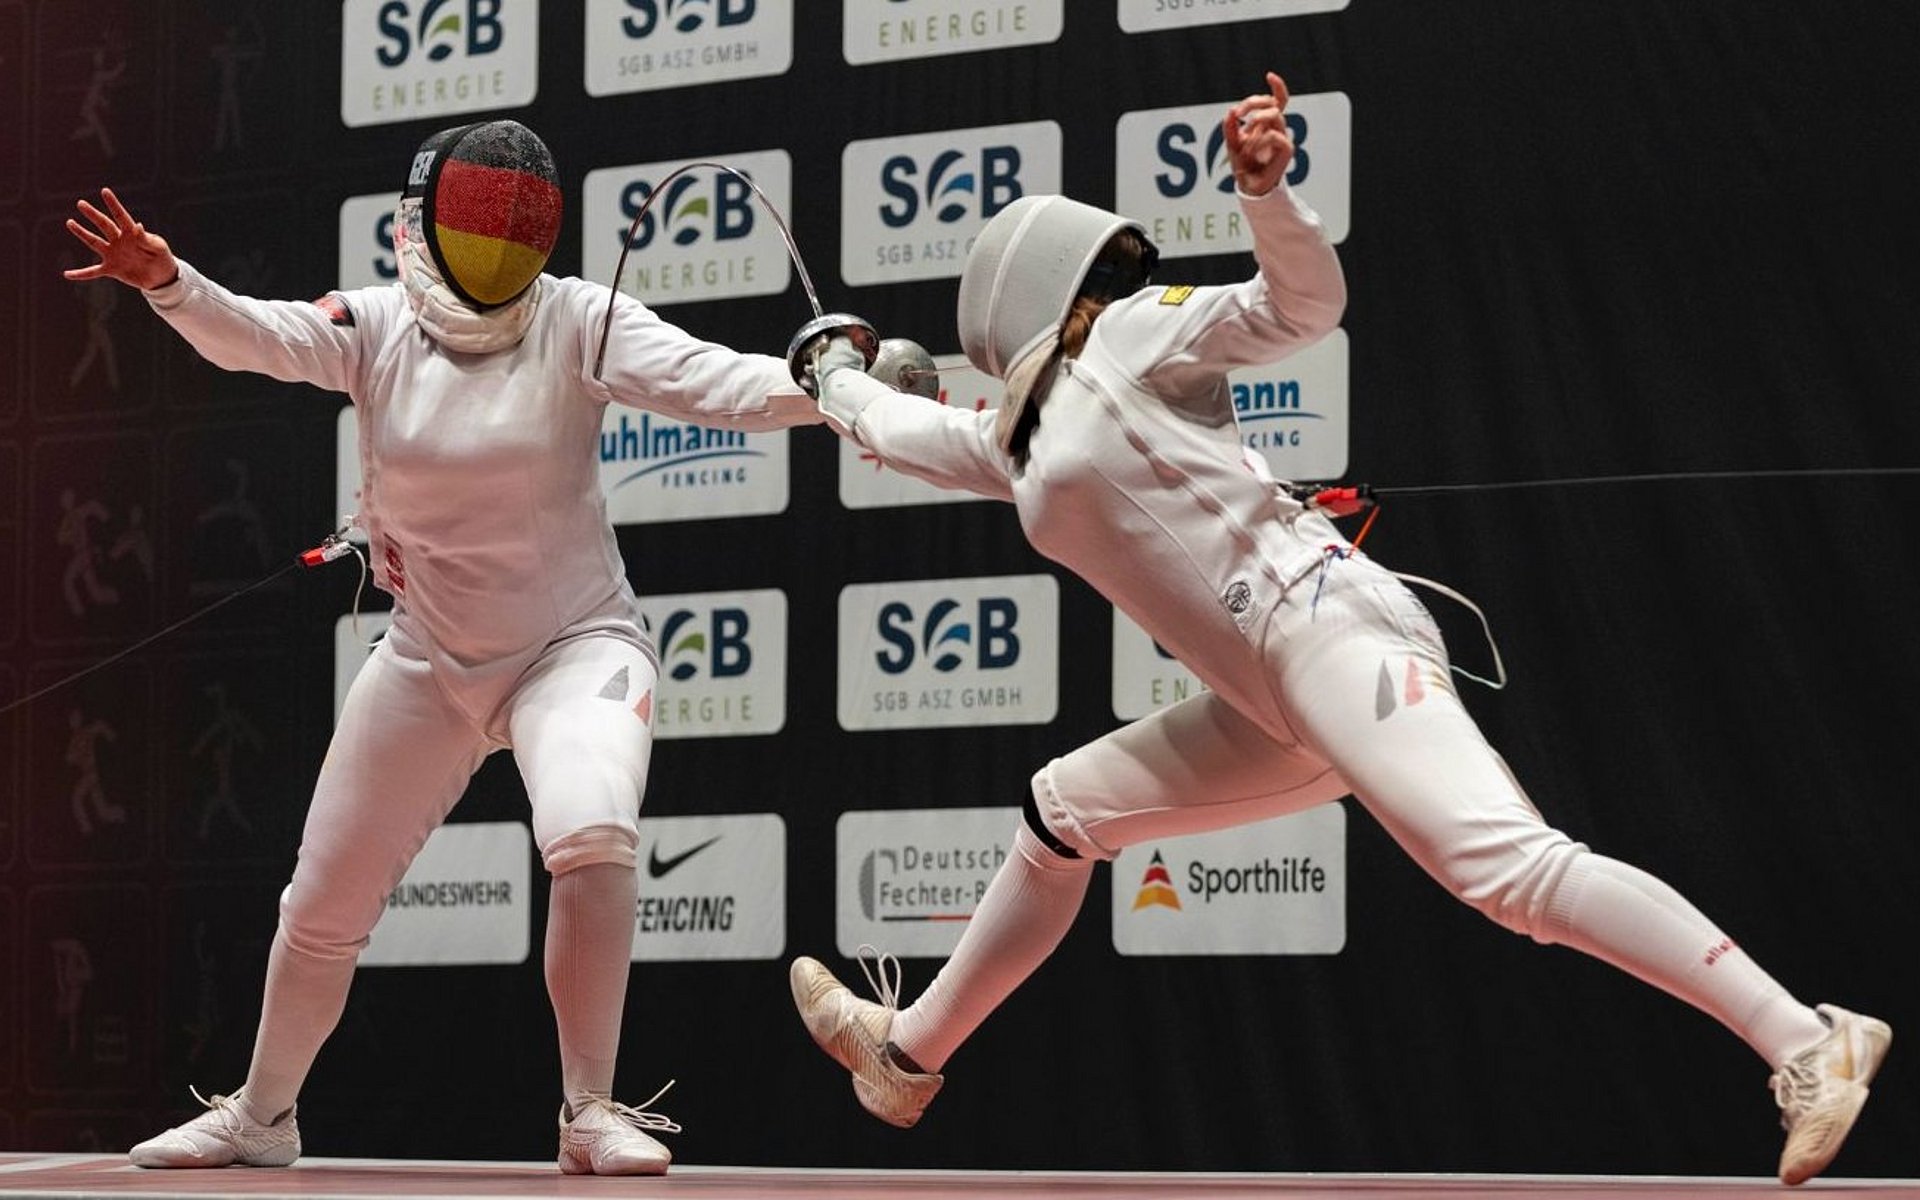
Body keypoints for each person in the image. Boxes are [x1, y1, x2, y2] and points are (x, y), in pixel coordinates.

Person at [784, 72, 1892, 1187]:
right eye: (1108, 270)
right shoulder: (1014, 447)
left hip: (1327, 632)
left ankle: (1806, 1039)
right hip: (1270, 705)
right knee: (1063, 812)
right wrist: (832, 373)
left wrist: (1269, 198)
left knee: (1509, 872)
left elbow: (1299, 307)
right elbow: (895, 426)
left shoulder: (1135, 333)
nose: (1126, 283)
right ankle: (905, 1055)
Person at [64, 119, 821, 1176]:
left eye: (521, 222)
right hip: (430, 657)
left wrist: (836, 383)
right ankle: (262, 1117)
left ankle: (589, 1111)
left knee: (592, 830)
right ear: (421, 223)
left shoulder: (579, 320)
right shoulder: (376, 326)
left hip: (575, 645)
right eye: (478, 217)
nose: (500, 240)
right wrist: (171, 282)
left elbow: (718, 381)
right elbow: (264, 336)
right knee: (321, 905)